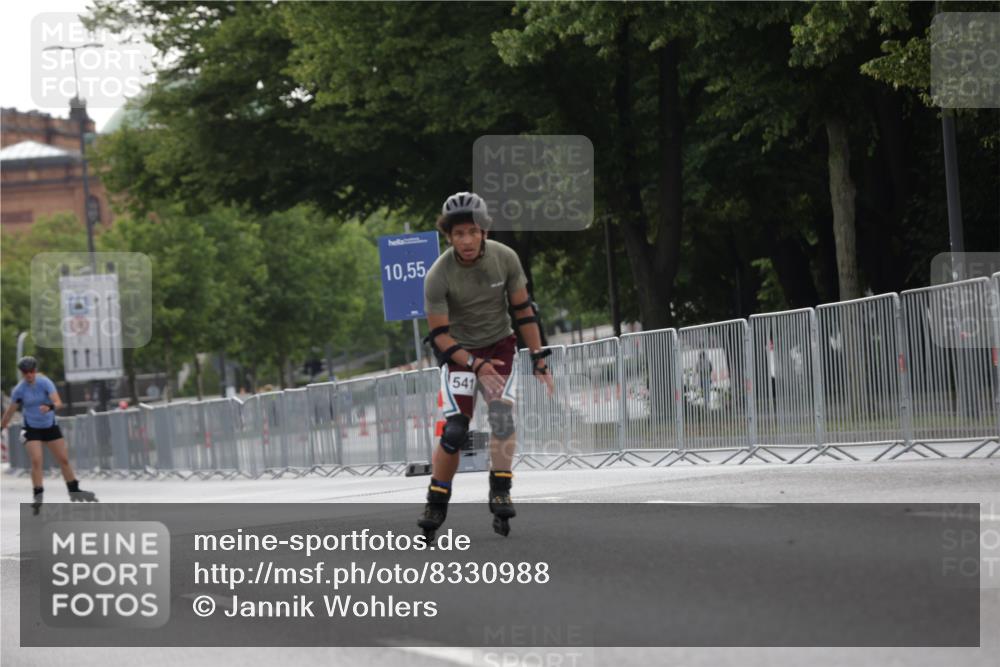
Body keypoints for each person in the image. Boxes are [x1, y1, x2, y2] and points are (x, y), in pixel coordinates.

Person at [419, 192, 554, 539]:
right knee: (454, 432)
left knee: (501, 418)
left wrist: (539, 357)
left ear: (484, 233)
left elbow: (523, 311)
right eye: (458, 234)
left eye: (472, 232)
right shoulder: (438, 275)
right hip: (460, 353)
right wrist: (476, 364)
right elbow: (439, 336)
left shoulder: (505, 259)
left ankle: (500, 488)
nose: (465, 240)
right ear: (448, 236)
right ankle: (437, 499)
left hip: (500, 346)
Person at [0, 356, 97, 514]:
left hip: (49, 425)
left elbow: (59, 403)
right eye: (25, 373)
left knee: (64, 459)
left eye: (31, 371)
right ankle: (38, 497)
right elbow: (10, 411)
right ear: (22, 373)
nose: (29, 375)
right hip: (31, 427)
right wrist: (2, 426)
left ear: (35, 370)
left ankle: (74, 491)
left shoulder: (45, 382)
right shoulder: (19, 389)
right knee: (37, 460)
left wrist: (49, 407)